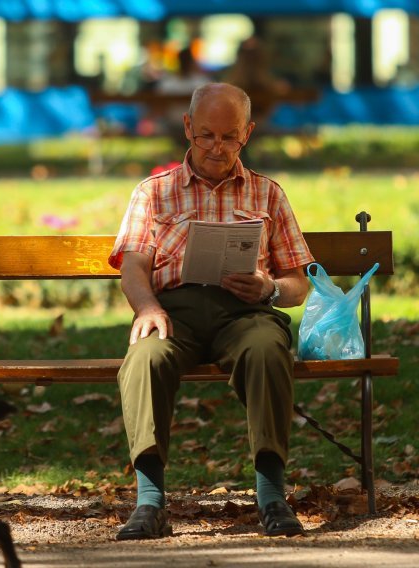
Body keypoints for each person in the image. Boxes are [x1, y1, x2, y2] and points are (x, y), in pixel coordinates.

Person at [108, 83, 314, 540]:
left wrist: (269, 287)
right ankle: (150, 502)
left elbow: (299, 283)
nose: (217, 148)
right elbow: (133, 267)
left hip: (244, 313)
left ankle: (271, 495)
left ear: (248, 135)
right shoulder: (153, 192)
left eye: (229, 137)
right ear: (187, 128)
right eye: (206, 136)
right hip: (172, 311)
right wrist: (145, 306)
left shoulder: (268, 194)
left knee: (266, 349)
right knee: (145, 358)